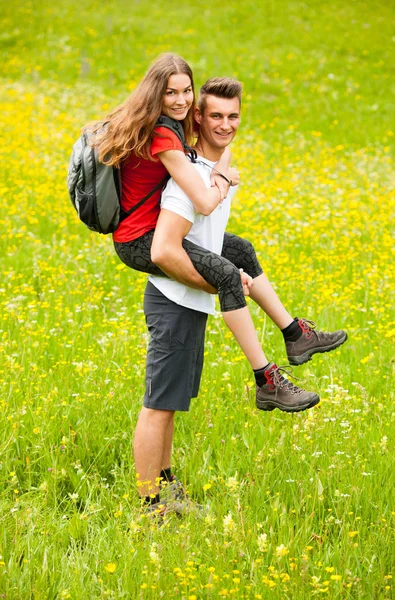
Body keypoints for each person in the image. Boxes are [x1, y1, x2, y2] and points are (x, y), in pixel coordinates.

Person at [134, 78, 347, 518]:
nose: (225, 125)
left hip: (188, 302)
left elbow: (207, 237)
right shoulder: (186, 180)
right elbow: (165, 248)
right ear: (197, 118)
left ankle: (168, 493)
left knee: (171, 404)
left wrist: (226, 273)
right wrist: (220, 283)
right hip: (172, 302)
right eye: (215, 116)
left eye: (233, 116)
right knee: (157, 406)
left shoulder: (211, 167)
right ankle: (150, 507)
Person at [94, 53, 346, 375]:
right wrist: (223, 180)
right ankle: (266, 377)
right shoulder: (164, 136)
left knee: (241, 250)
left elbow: (219, 144)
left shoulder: (174, 126)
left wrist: (221, 167)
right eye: (171, 92)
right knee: (227, 275)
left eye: (186, 91)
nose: (181, 99)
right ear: (157, 93)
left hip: (153, 229)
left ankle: (295, 335)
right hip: (137, 240)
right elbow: (203, 201)